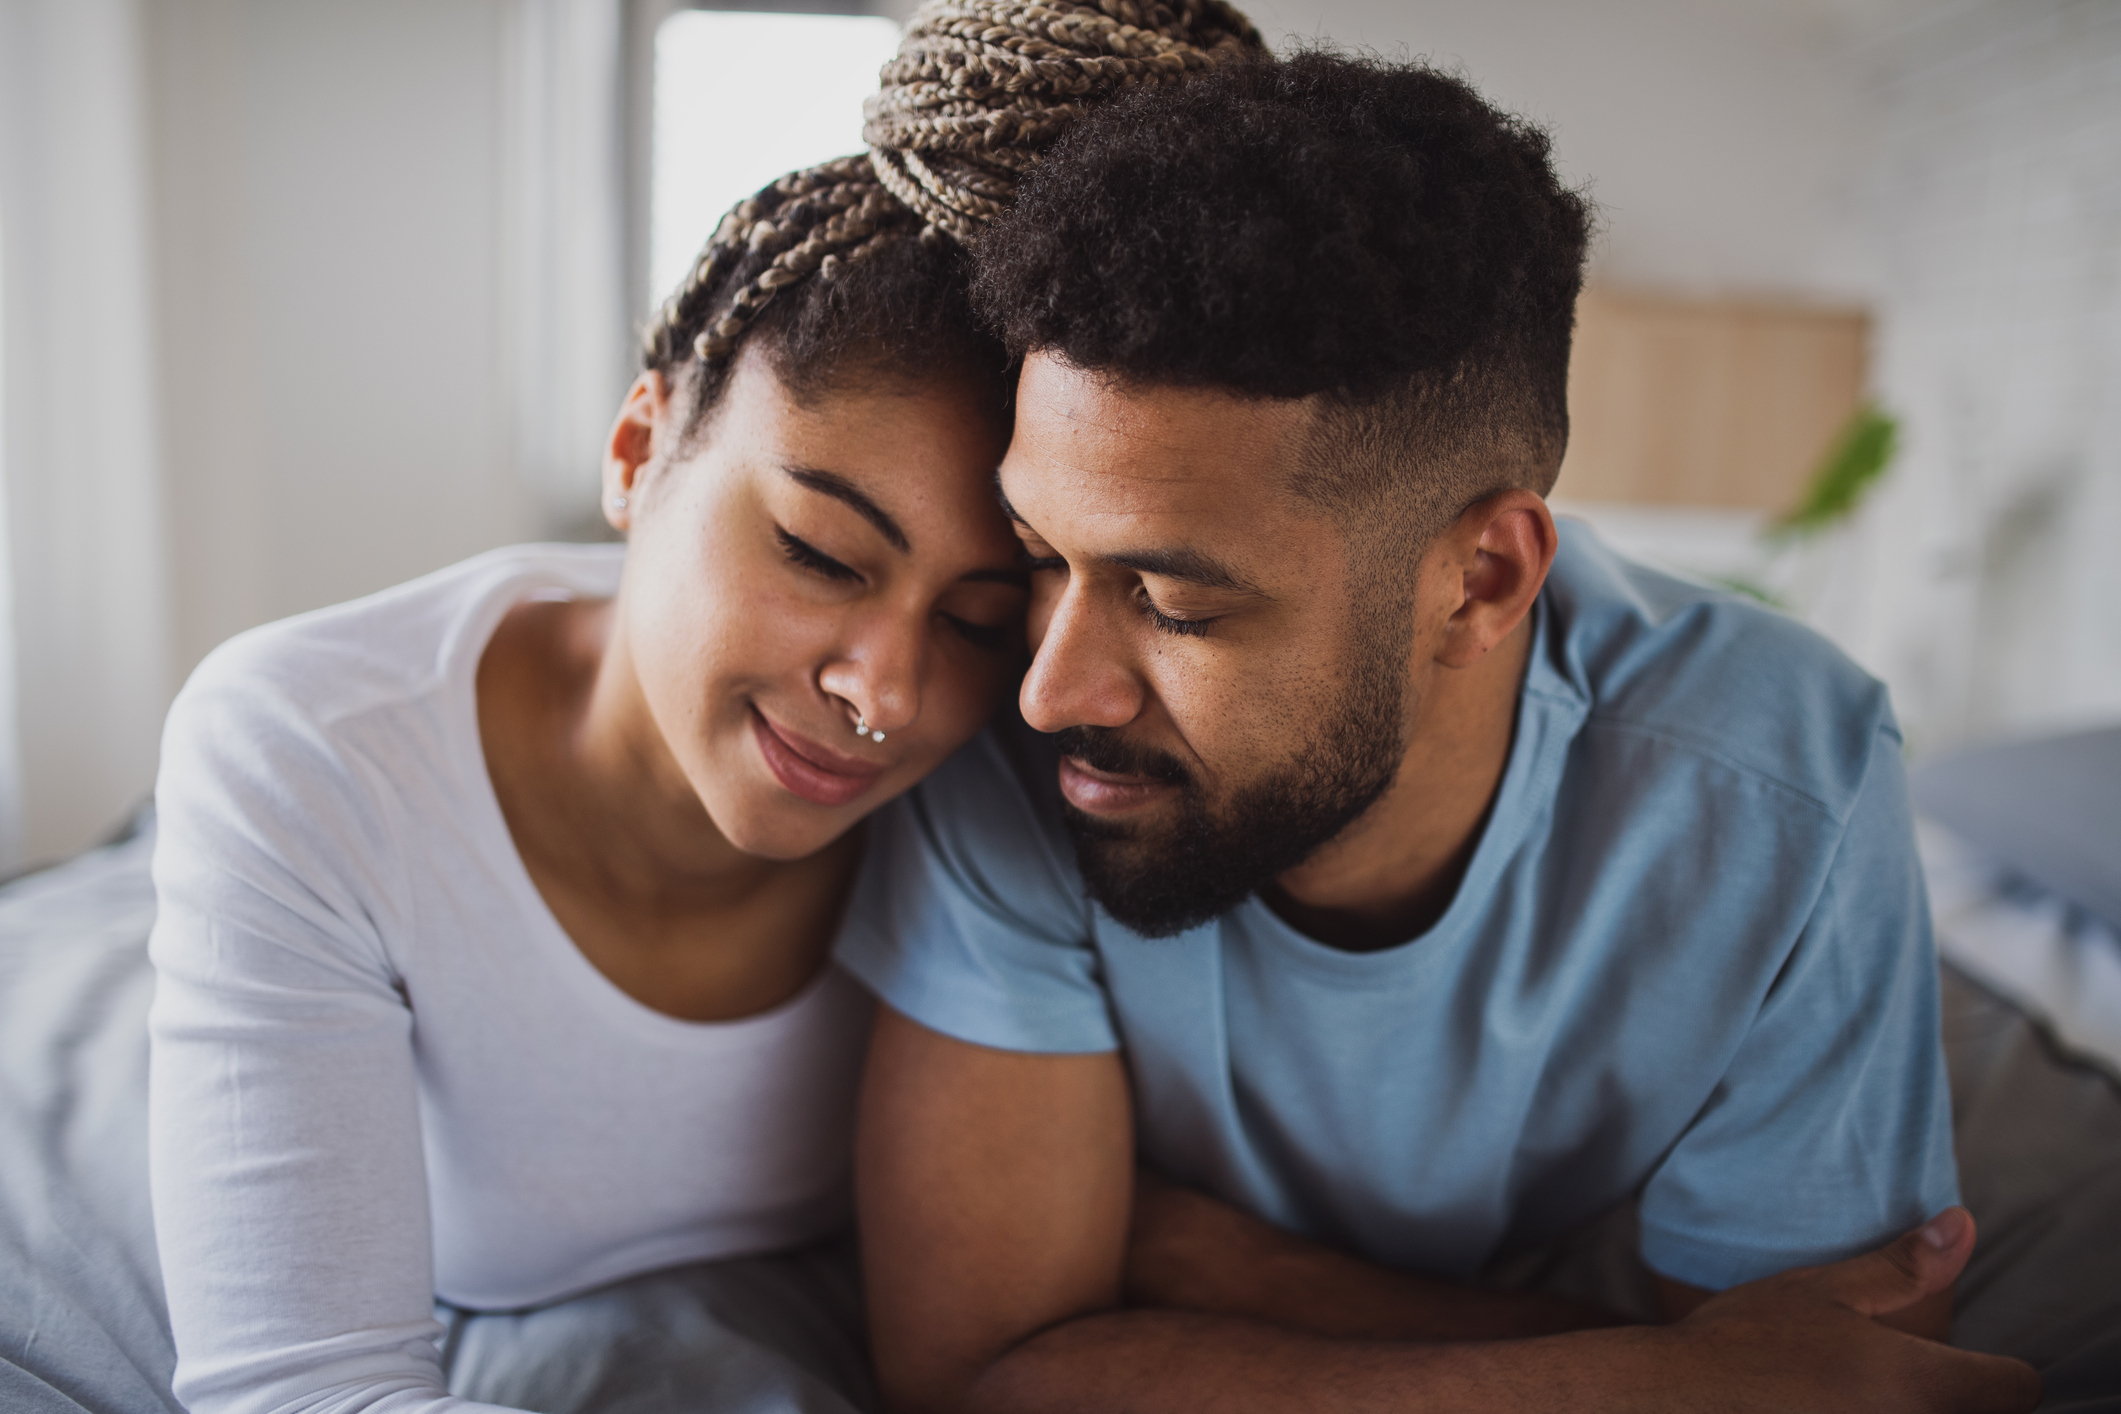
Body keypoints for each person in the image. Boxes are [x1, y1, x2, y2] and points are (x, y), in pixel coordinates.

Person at [840, 54, 2047, 1413]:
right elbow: (980, 1368)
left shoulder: (1784, 781)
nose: (1050, 687)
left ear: (1477, 579)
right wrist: (1645, 1378)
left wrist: (1222, 1264)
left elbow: (1841, 1384)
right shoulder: (1020, 737)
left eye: (1173, 601)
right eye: (1040, 554)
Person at [142, 5, 1266, 1413]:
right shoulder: (311, 746)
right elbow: (296, 1391)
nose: (883, 693)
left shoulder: (1032, 765)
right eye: (815, 552)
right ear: (635, 446)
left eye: (980, 620)